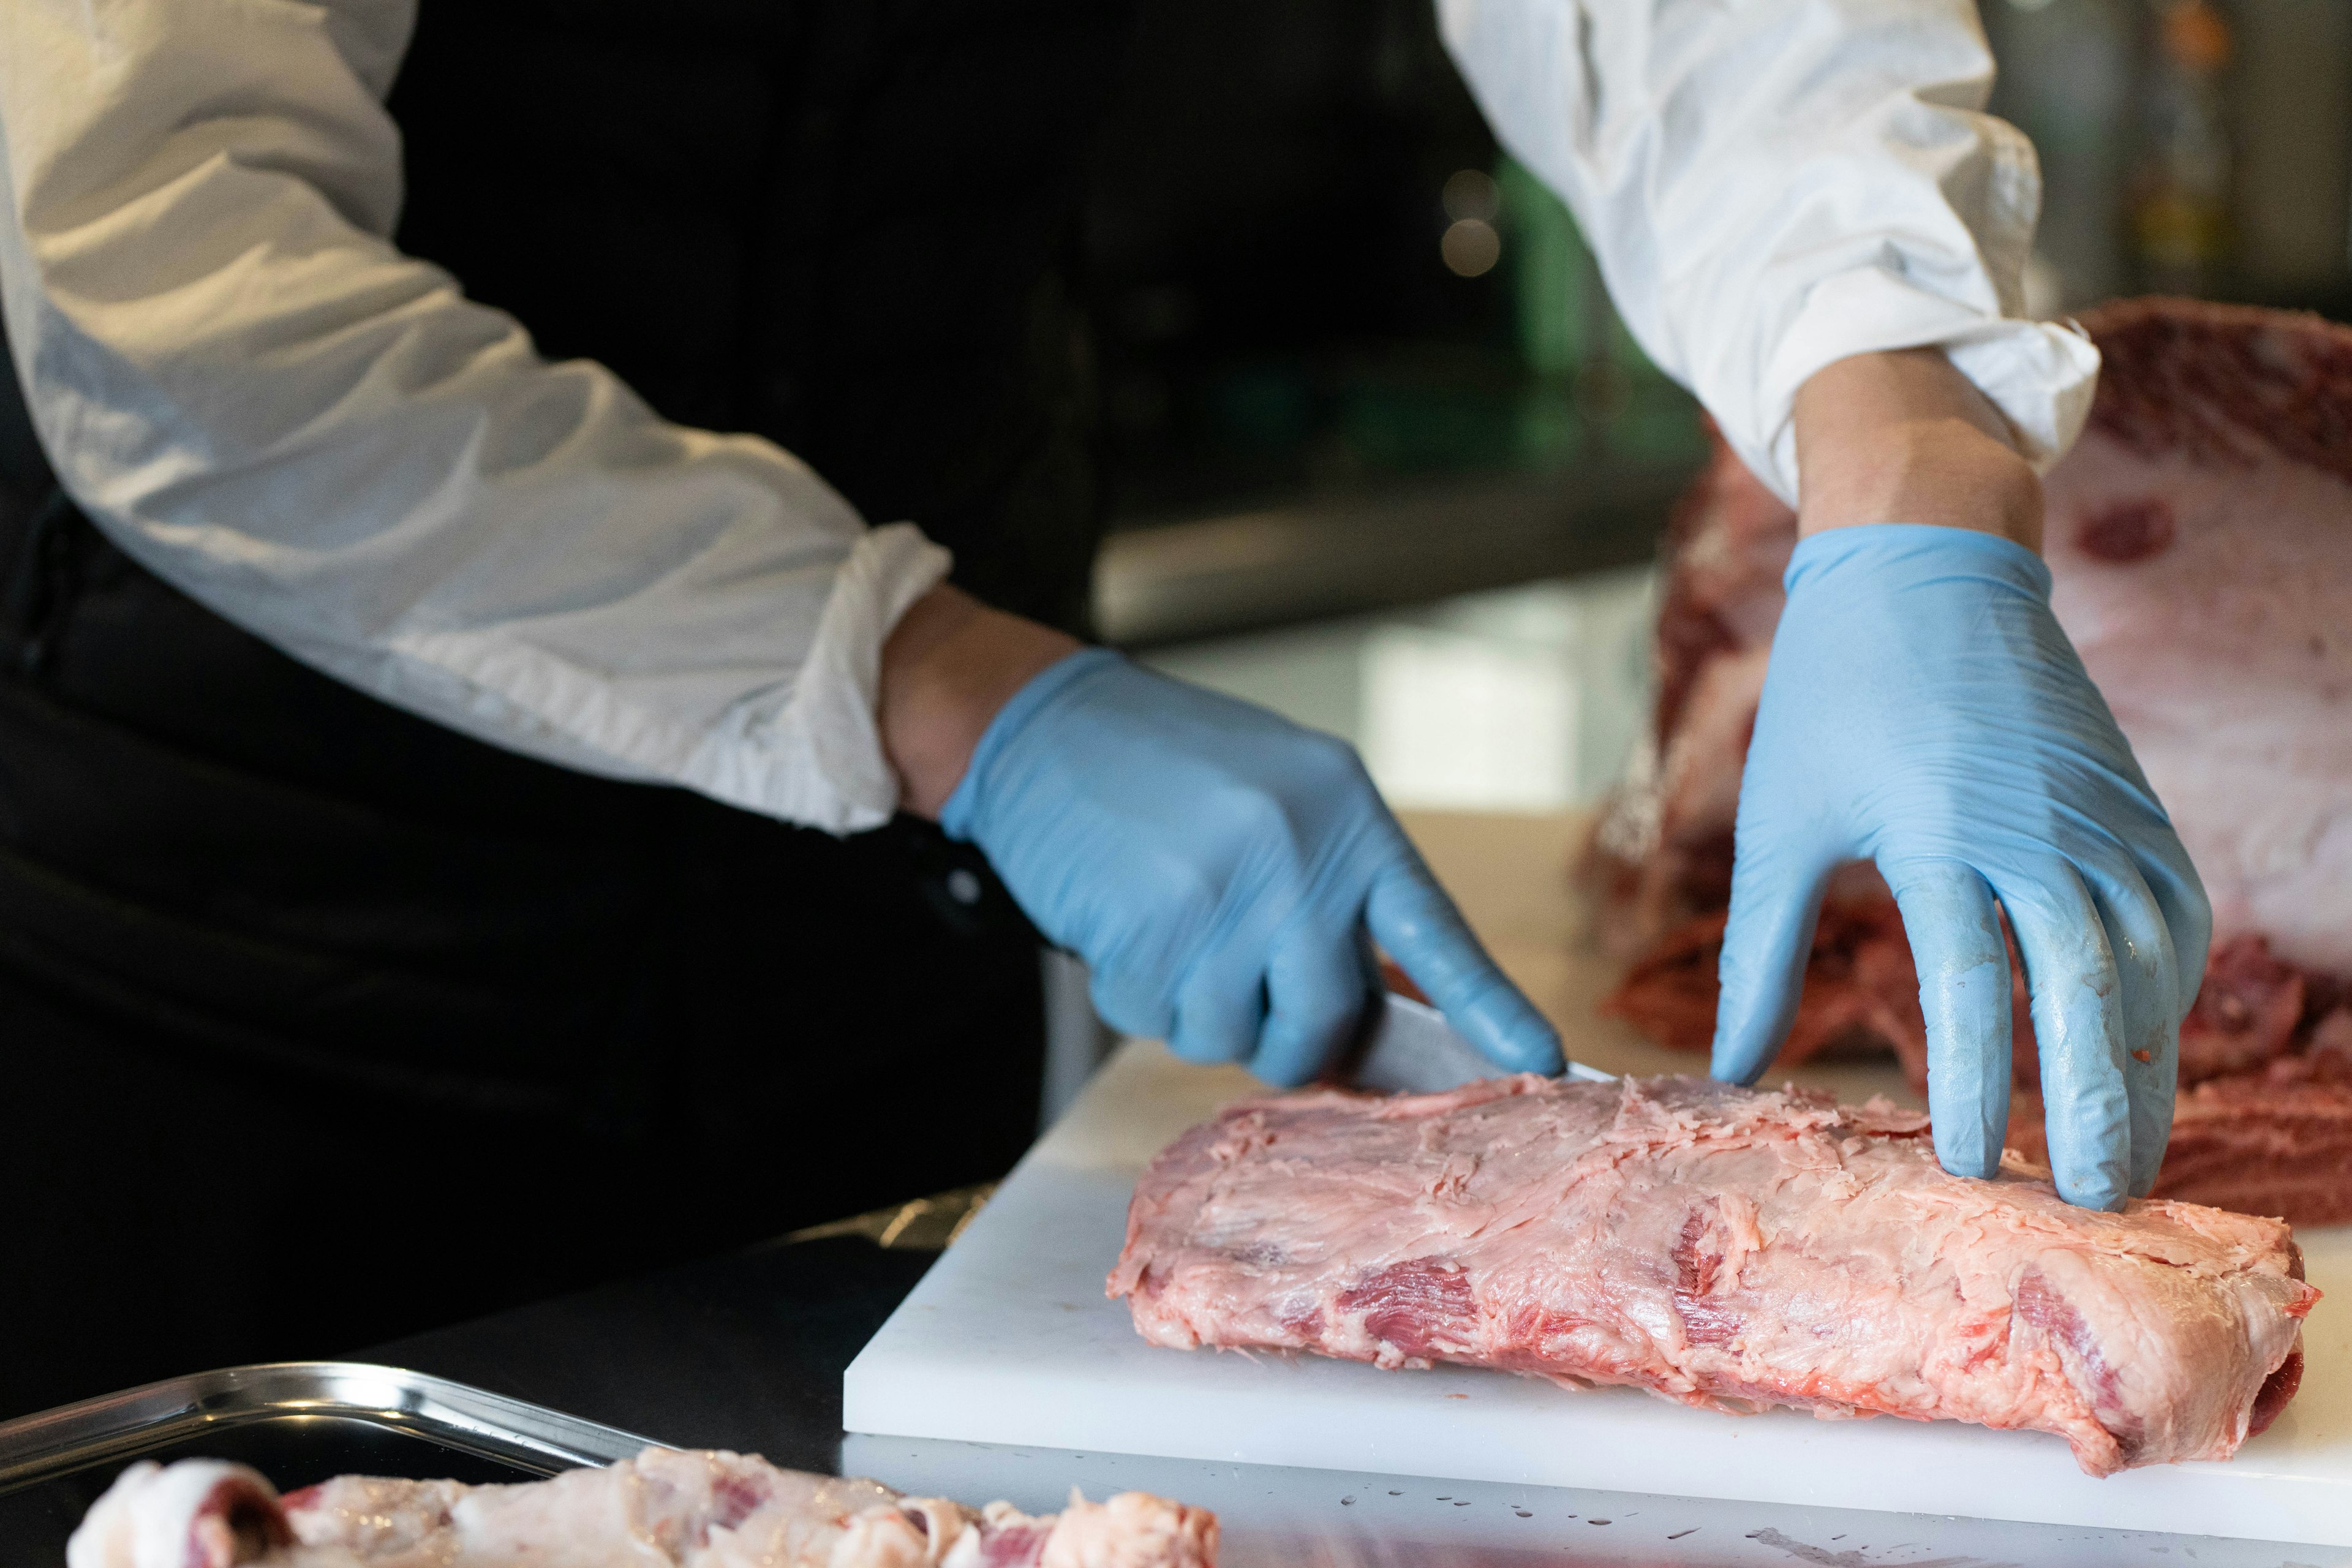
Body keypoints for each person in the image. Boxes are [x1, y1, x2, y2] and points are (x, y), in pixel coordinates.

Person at [0, 0, 2201, 1413]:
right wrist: (940, 685)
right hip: (245, 955)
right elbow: (166, 277)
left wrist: (1913, 458)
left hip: (883, 955)